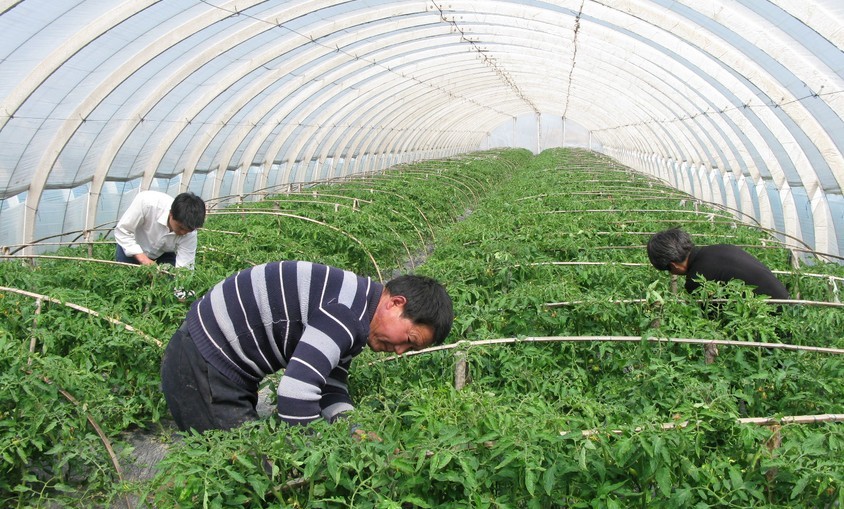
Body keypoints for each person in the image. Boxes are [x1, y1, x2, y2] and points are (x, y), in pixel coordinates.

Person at [160, 261, 454, 433]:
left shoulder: (357, 306)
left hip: (212, 360)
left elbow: (330, 386)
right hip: (203, 364)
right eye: (409, 340)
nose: (401, 351)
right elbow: (295, 393)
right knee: (238, 473)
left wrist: (354, 430)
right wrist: (312, 454)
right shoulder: (346, 314)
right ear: (395, 303)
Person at [646, 228, 789, 300]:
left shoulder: (696, 280)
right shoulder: (719, 248)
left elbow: (712, 320)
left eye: (668, 270)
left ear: (674, 265)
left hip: (773, 314)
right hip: (787, 300)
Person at [114, 191, 206, 269]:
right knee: (125, 274)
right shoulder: (147, 203)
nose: (184, 233)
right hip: (131, 245)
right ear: (171, 214)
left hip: (162, 253)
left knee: (168, 277)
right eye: (181, 228)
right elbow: (123, 231)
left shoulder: (190, 233)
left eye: (189, 230)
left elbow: (185, 268)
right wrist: (144, 260)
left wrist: (179, 284)